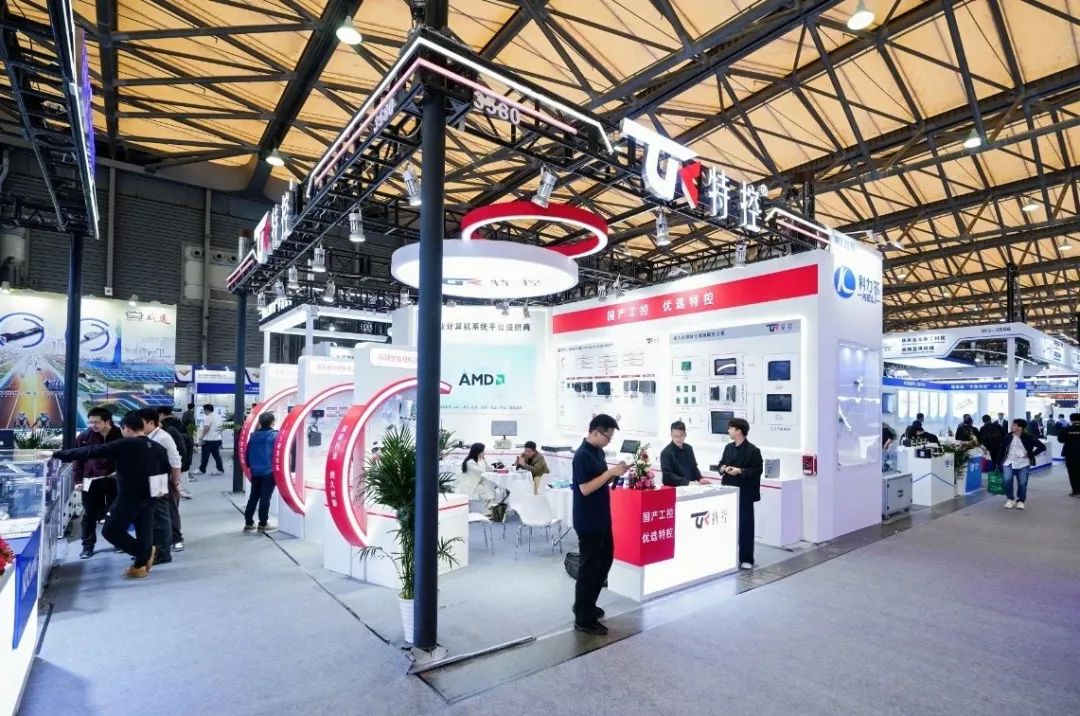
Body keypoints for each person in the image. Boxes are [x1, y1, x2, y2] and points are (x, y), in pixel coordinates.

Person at [53, 412, 170, 578]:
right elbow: (165, 469)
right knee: (144, 529)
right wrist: (160, 491)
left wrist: (56, 454)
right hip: (151, 494)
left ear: (126, 428)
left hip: (129, 496)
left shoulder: (124, 444)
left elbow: (91, 451)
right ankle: (140, 567)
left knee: (110, 530)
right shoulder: (157, 447)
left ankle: (142, 553)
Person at [571, 414, 626, 636]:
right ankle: (583, 618)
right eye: (607, 437)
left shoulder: (598, 452)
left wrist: (614, 473)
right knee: (589, 568)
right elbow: (585, 488)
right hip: (588, 520)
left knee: (604, 562)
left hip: (602, 516)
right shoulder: (582, 456)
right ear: (595, 432)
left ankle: (587, 604)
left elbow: (600, 480)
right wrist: (610, 473)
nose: (609, 441)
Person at [73, 407, 122, 559]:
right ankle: (87, 547)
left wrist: (121, 473)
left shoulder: (120, 434)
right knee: (89, 514)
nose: (93, 425)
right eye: (91, 422)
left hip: (115, 480)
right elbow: (78, 460)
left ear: (108, 421)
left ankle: (119, 542)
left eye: (97, 422)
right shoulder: (84, 437)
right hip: (91, 480)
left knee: (117, 512)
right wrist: (78, 480)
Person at [718, 418, 763, 570]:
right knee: (728, 525)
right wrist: (722, 468)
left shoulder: (753, 451)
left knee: (745, 527)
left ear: (739, 431)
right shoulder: (728, 447)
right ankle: (728, 557)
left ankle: (746, 558)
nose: (728, 431)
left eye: (730, 428)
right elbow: (721, 463)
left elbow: (757, 470)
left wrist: (740, 471)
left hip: (744, 493)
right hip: (728, 491)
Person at [139, 408, 182, 566]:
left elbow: (175, 462)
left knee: (163, 516)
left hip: (161, 480)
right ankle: (155, 549)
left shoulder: (163, 437)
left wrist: (175, 483)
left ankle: (167, 549)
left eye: (141, 423)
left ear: (151, 422)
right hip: (151, 481)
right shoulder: (147, 437)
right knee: (155, 517)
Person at [996, 418, 1046, 510]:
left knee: (1022, 483)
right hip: (1008, 462)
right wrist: (998, 462)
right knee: (1007, 481)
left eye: (1014, 425)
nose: (1011, 426)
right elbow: (1002, 449)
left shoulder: (1029, 437)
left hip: (1023, 464)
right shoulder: (1008, 436)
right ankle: (1010, 499)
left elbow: (1042, 447)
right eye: (1012, 425)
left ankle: (1021, 501)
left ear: (1020, 428)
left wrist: (1030, 454)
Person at [158, 406, 190, 547]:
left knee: (171, 507)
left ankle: (176, 538)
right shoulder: (148, 436)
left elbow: (179, 455)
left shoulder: (168, 433)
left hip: (168, 476)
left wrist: (176, 478)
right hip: (156, 478)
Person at [244, 412, 279, 532]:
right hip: (269, 471)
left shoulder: (253, 436)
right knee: (265, 498)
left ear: (260, 422)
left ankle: (248, 523)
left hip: (255, 471)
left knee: (253, 497)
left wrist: (250, 466)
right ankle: (263, 523)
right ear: (272, 422)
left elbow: (247, 453)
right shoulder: (274, 436)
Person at [160, 406, 194, 501]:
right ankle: (181, 491)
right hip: (185, 449)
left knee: (176, 475)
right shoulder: (178, 421)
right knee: (181, 472)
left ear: (161, 414)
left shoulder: (167, 427)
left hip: (178, 452)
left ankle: (179, 492)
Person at [660, 420, 702, 487]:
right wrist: (687, 483)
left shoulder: (689, 448)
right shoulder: (666, 453)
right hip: (676, 488)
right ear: (671, 435)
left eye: (681, 436)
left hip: (692, 486)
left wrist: (700, 478)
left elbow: (694, 467)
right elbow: (667, 476)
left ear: (685, 434)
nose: (678, 439)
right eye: (676, 436)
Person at [460, 443, 497, 513]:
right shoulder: (470, 462)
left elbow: (489, 470)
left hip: (479, 482)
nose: (484, 452)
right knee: (487, 489)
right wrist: (483, 461)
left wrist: (485, 461)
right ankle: (488, 511)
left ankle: (489, 510)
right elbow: (482, 472)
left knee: (489, 486)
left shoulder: (480, 460)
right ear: (478, 452)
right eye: (483, 451)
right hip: (472, 485)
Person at [196, 404, 225, 475]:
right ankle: (220, 469)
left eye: (204, 410)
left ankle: (202, 470)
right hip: (217, 439)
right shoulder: (218, 417)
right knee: (217, 456)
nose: (204, 412)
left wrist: (201, 438)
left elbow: (206, 428)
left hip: (209, 440)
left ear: (206, 410)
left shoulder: (208, 417)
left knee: (205, 456)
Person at [1056, 413, 1080, 497]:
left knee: (1072, 473)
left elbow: (1060, 440)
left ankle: (1076, 491)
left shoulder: (1066, 430)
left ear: (1071, 420)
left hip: (1070, 454)